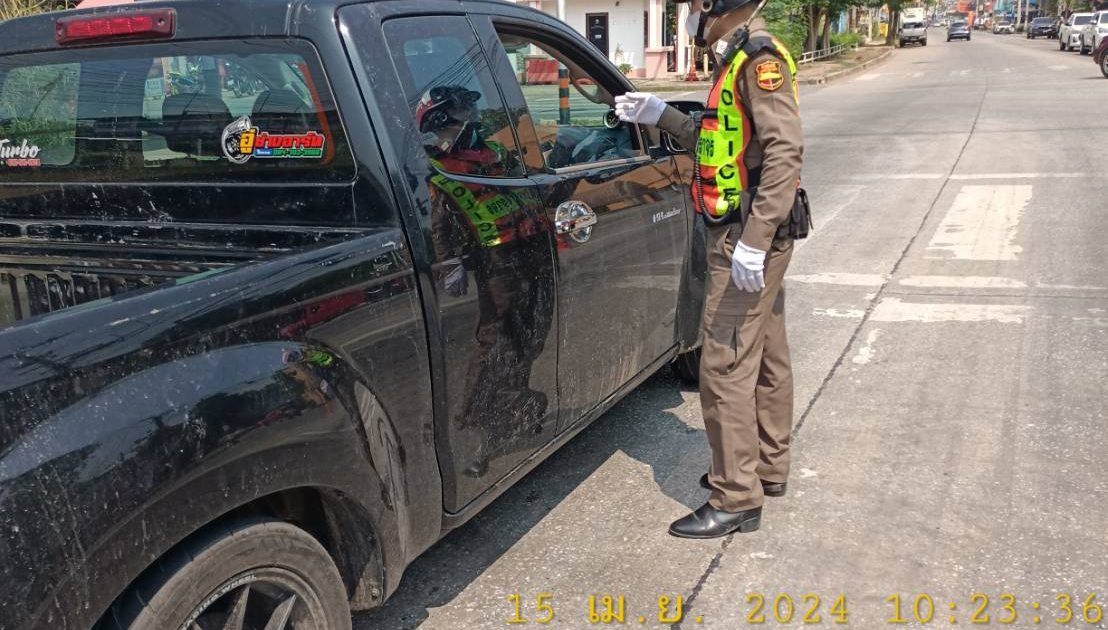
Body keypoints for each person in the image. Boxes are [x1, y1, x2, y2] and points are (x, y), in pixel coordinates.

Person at [614, 0, 803, 539]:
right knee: (765, 352)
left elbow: (784, 153)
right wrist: (663, 116)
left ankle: (735, 496)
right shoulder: (737, 57)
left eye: (696, 5)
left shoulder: (758, 59)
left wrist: (754, 242)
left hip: (747, 236)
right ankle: (765, 467)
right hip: (749, 232)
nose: (691, 15)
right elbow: (723, 144)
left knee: (723, 365)